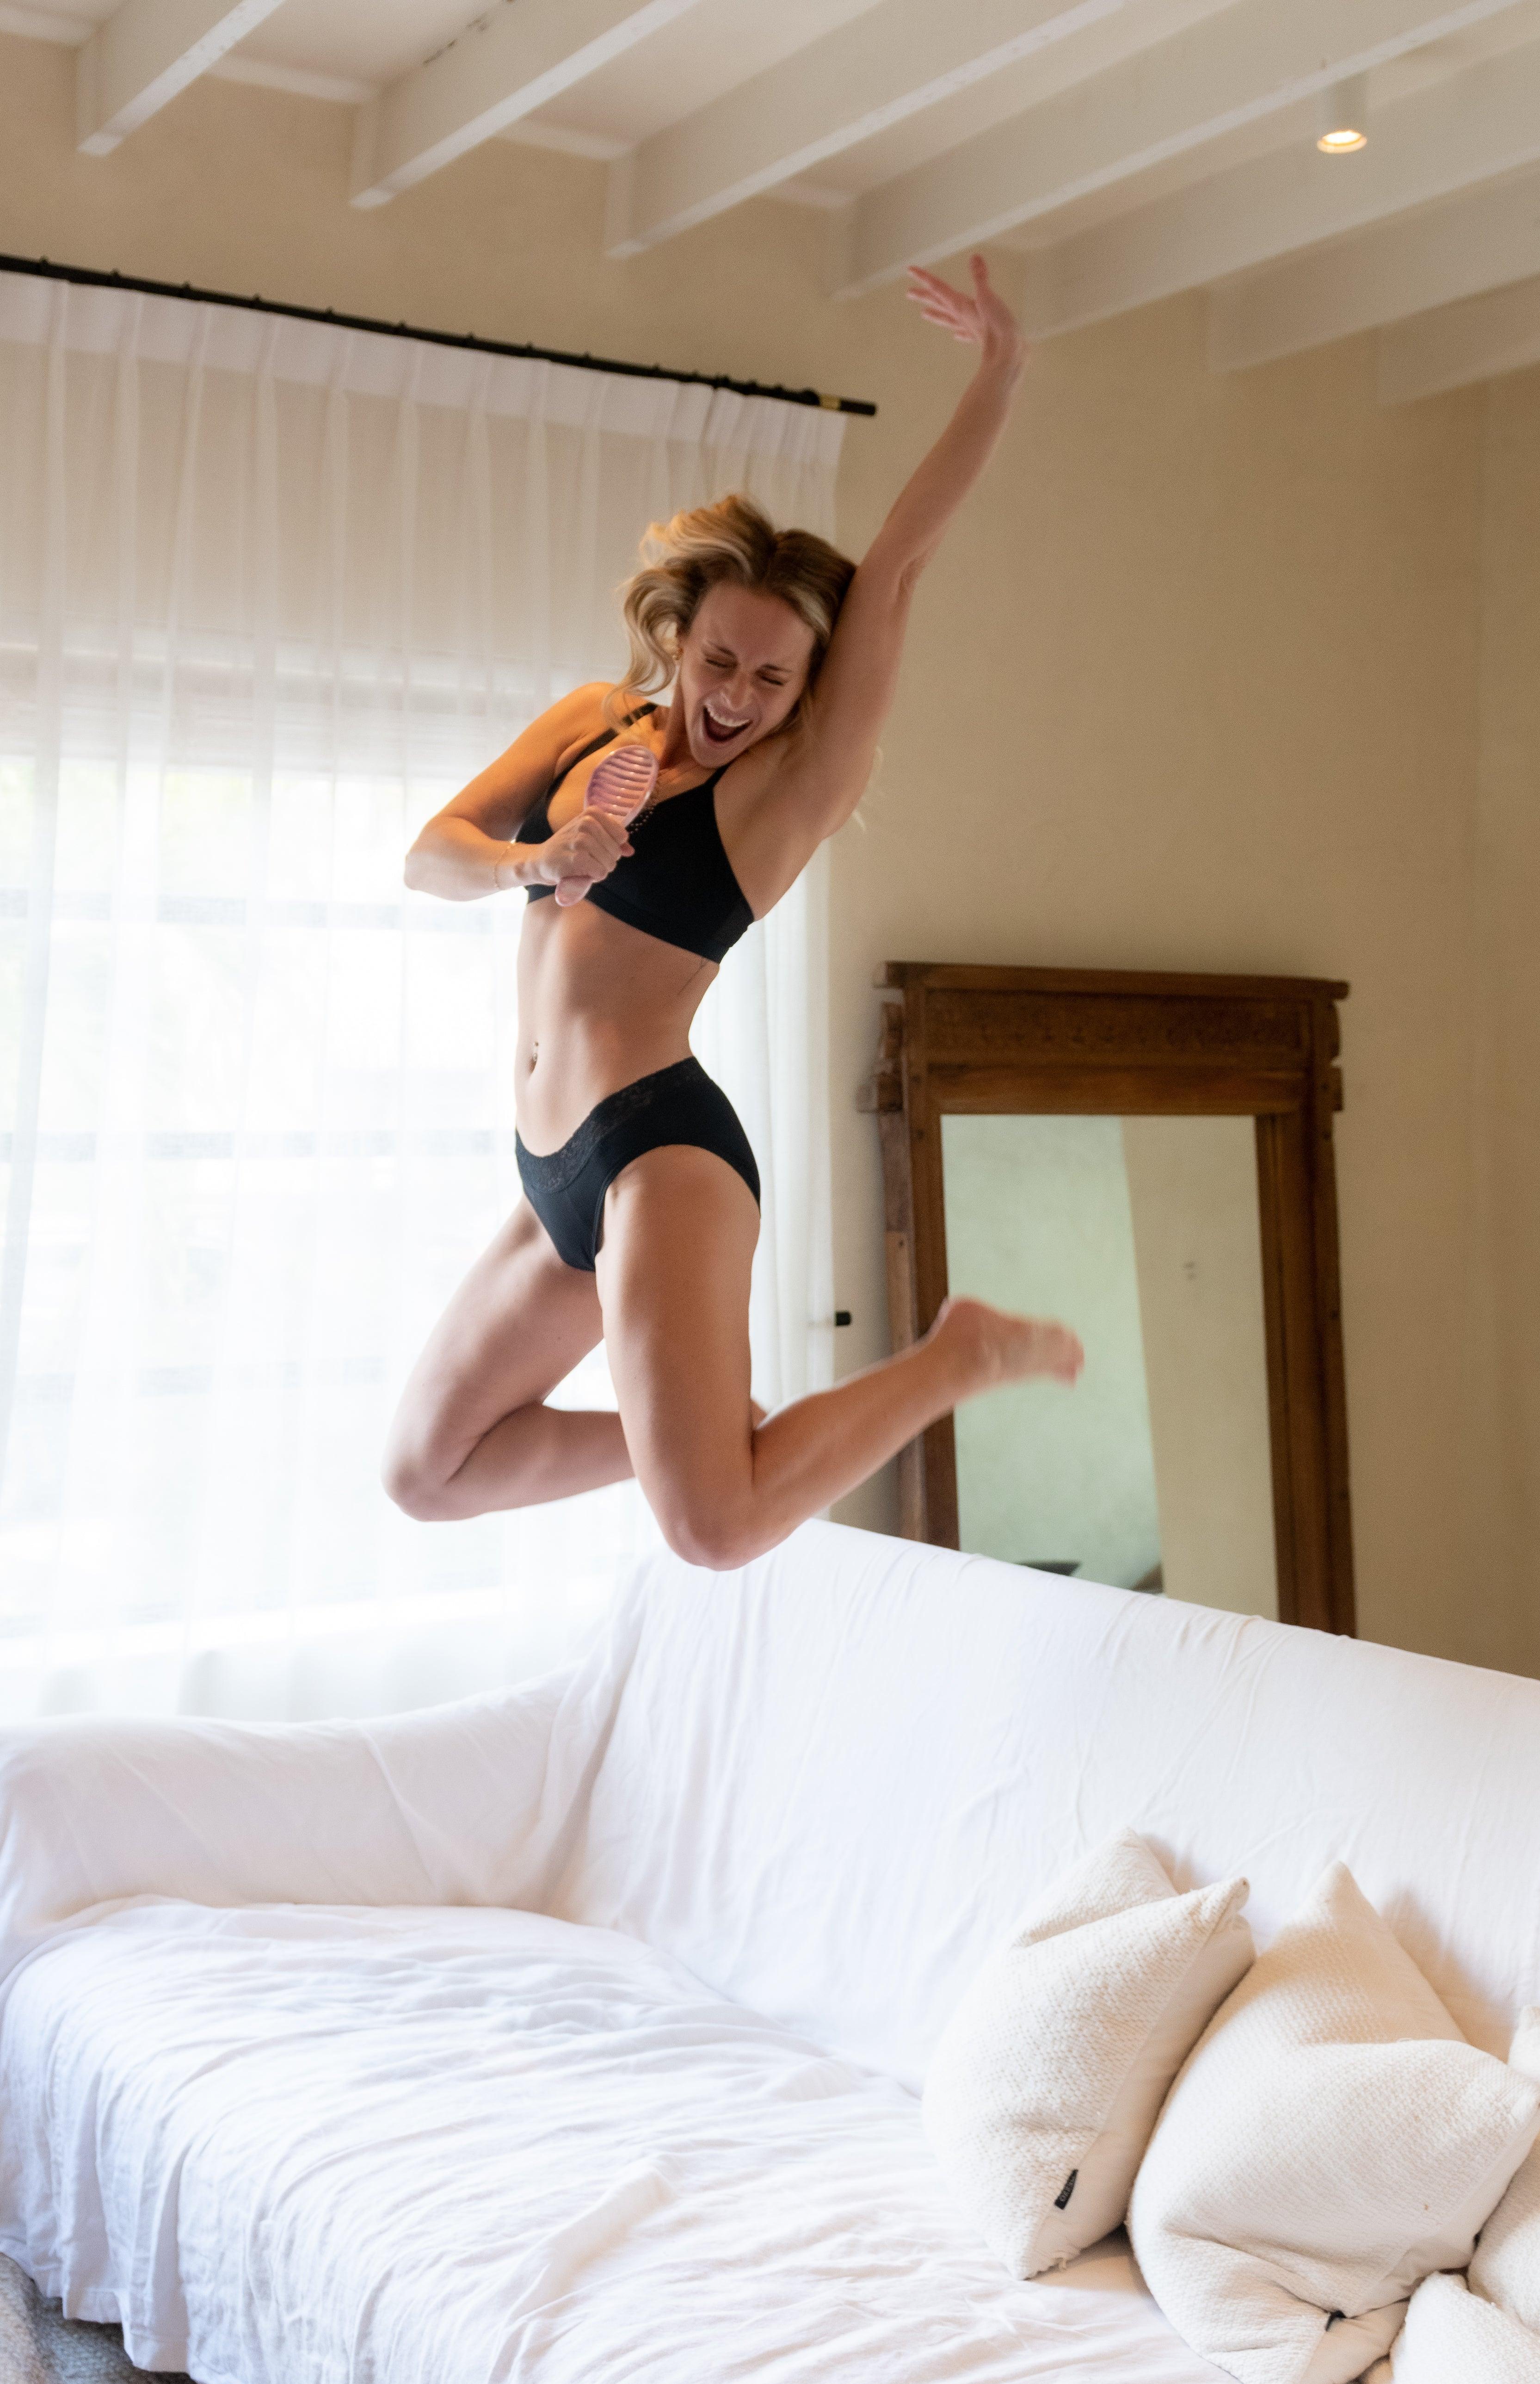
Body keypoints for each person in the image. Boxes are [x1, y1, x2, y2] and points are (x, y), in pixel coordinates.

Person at [384, 255, 1082, 1569]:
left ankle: (956, 1355)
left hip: (661, 1154)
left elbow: (903, 564)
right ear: (676, 633)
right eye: (717, 659)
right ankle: (705, 1431)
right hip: (555, 1174)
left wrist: (1001, 373)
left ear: (807, 681)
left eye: (772, 675)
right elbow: (433, 854)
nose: (736, 694)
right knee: (429, 1468)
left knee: (714, 1528)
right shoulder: (594, 724)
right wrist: (538, 864)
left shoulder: (785, 791)